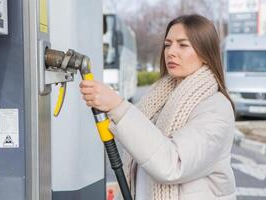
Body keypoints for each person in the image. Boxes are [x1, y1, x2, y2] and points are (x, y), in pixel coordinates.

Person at [79, 14, 236, 200]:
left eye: (182, 45)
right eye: (168, 44)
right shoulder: (159, 97)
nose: (171, 52)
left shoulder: (216, 107)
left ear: (205, 53)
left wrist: (118, 106)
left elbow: (172, 165)